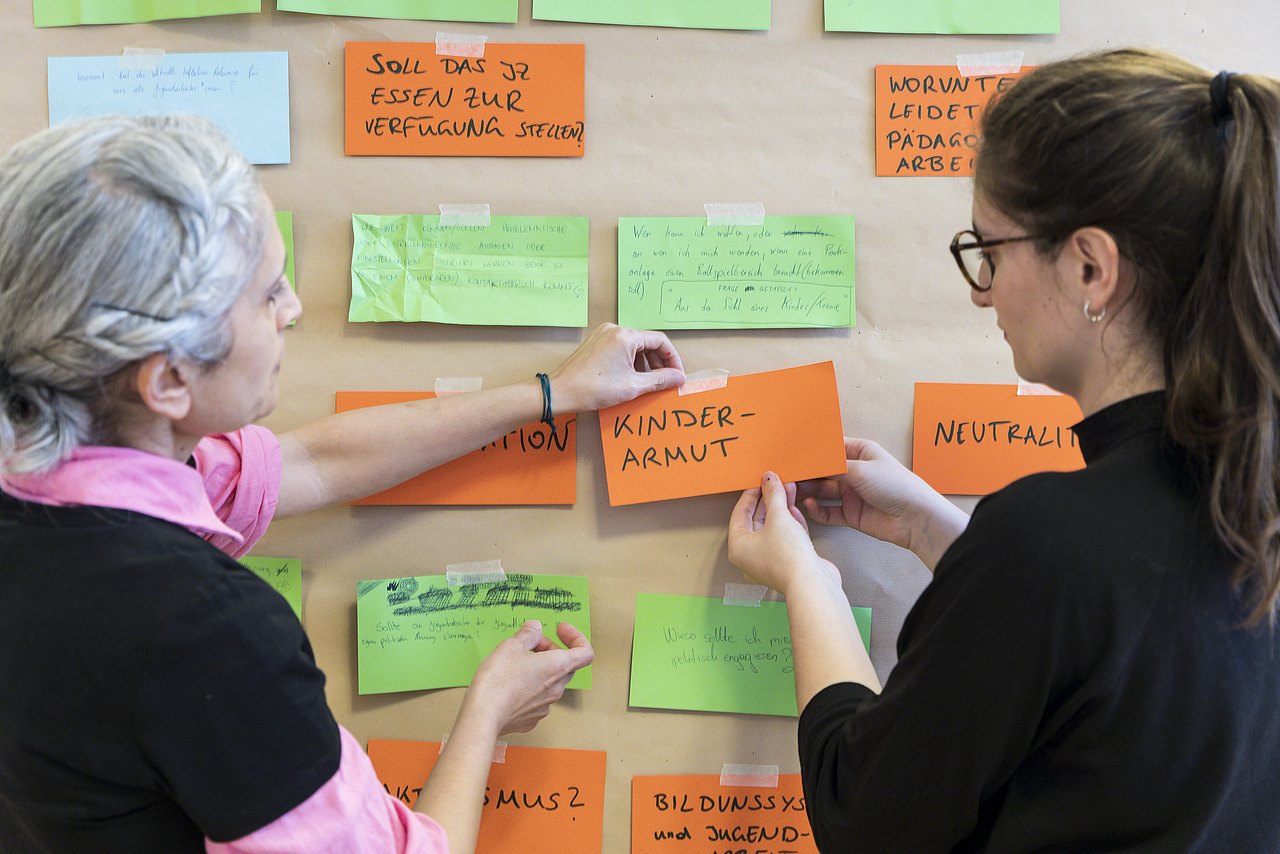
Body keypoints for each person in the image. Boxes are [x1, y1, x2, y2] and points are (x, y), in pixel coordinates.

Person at [0, 114, 685, 853]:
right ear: (168, 379)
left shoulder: (56, 477)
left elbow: (313, 464)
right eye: (267, 295)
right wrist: (487, 712)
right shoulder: (203, 632)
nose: (294, 308)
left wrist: (552, 394)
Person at [727, 48, 1280, 852]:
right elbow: (1123, 662)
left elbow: (863, 815)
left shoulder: (1051, 540)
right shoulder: (1238, 499)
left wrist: (807, 581)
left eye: (990, 250)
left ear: (1091, 267)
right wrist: (934, 531)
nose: (981, 291)